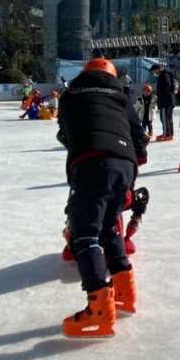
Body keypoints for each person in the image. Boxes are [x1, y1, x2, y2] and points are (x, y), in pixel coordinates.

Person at [56, 57, 149, 337]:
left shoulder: (71, 93)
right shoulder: (120, 94)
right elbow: (138, 133)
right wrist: (135, 158)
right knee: (110, 227)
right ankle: (125, 291)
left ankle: (99, 307)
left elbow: (64, 133)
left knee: (84, 233)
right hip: (125, 164)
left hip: (91, 160)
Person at [151, 63, 177, 141]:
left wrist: (161, 98)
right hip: (170, 99)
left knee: (164, 118)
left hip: (165, 100)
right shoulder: (168, 74)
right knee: (168, 118)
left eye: (154, 71)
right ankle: (169, 133)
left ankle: (166, 134)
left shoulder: (163, 75)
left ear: (157, 69)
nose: (154, 73)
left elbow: (165, 87)